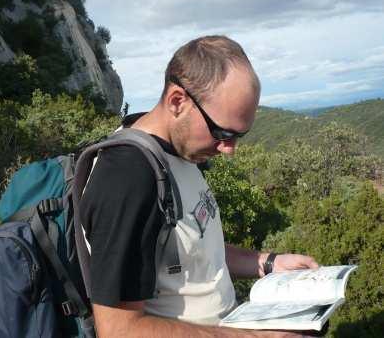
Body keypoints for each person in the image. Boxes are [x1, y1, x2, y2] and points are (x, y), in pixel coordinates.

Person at [80, 35, 319, 337]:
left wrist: (267, 263)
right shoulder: (127, 176)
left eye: (237, 137)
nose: (228, 149)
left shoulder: (181, 151)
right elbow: (118, 329)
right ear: (178, 101)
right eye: (222, 132)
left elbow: (194, 252)